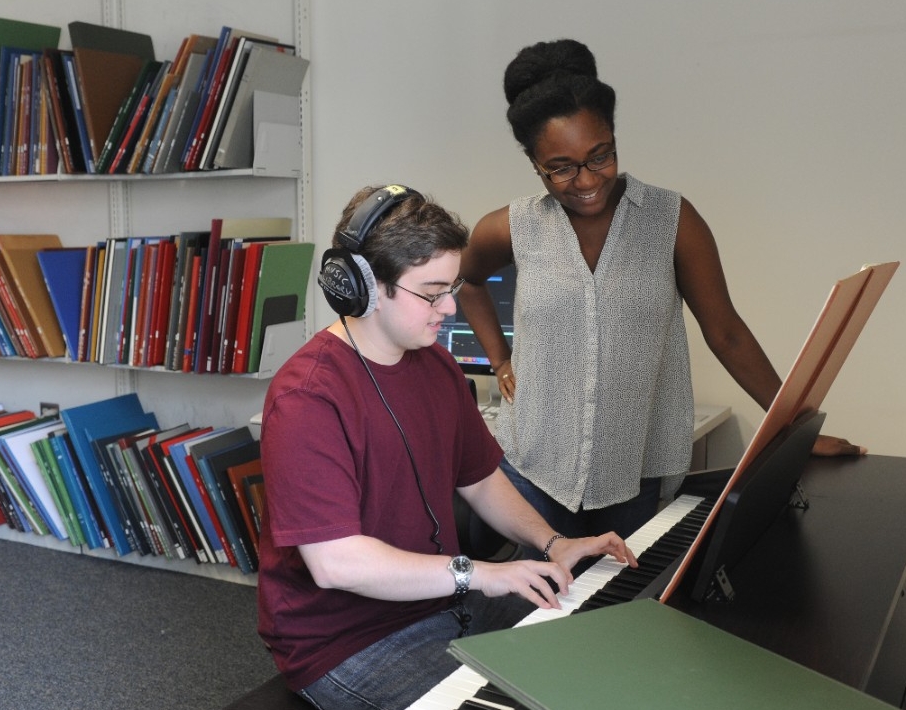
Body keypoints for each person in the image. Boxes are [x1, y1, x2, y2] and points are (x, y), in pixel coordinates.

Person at [457, 39, 865, 545]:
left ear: (613, 138)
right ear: (534, 162)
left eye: (599, 156)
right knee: (537, 618)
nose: (585, 180)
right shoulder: (512, 226)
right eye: (560, 167)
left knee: (622, 610)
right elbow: (468, 282)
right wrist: (500, 361)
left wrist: (796, 430)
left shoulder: (672, 220)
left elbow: (727, 333)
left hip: (634, 471)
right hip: (533, 469)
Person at [256, 184, 637, 710]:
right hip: (348, 642)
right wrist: (481, 572)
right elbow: (336, 564)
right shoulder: (308, 398)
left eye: (452, 287)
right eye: (432, 293)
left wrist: (552, 544)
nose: (452, 307)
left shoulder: (436, 365)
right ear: (363, 288)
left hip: (445, 603)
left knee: (597, 657)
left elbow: (479, 479)